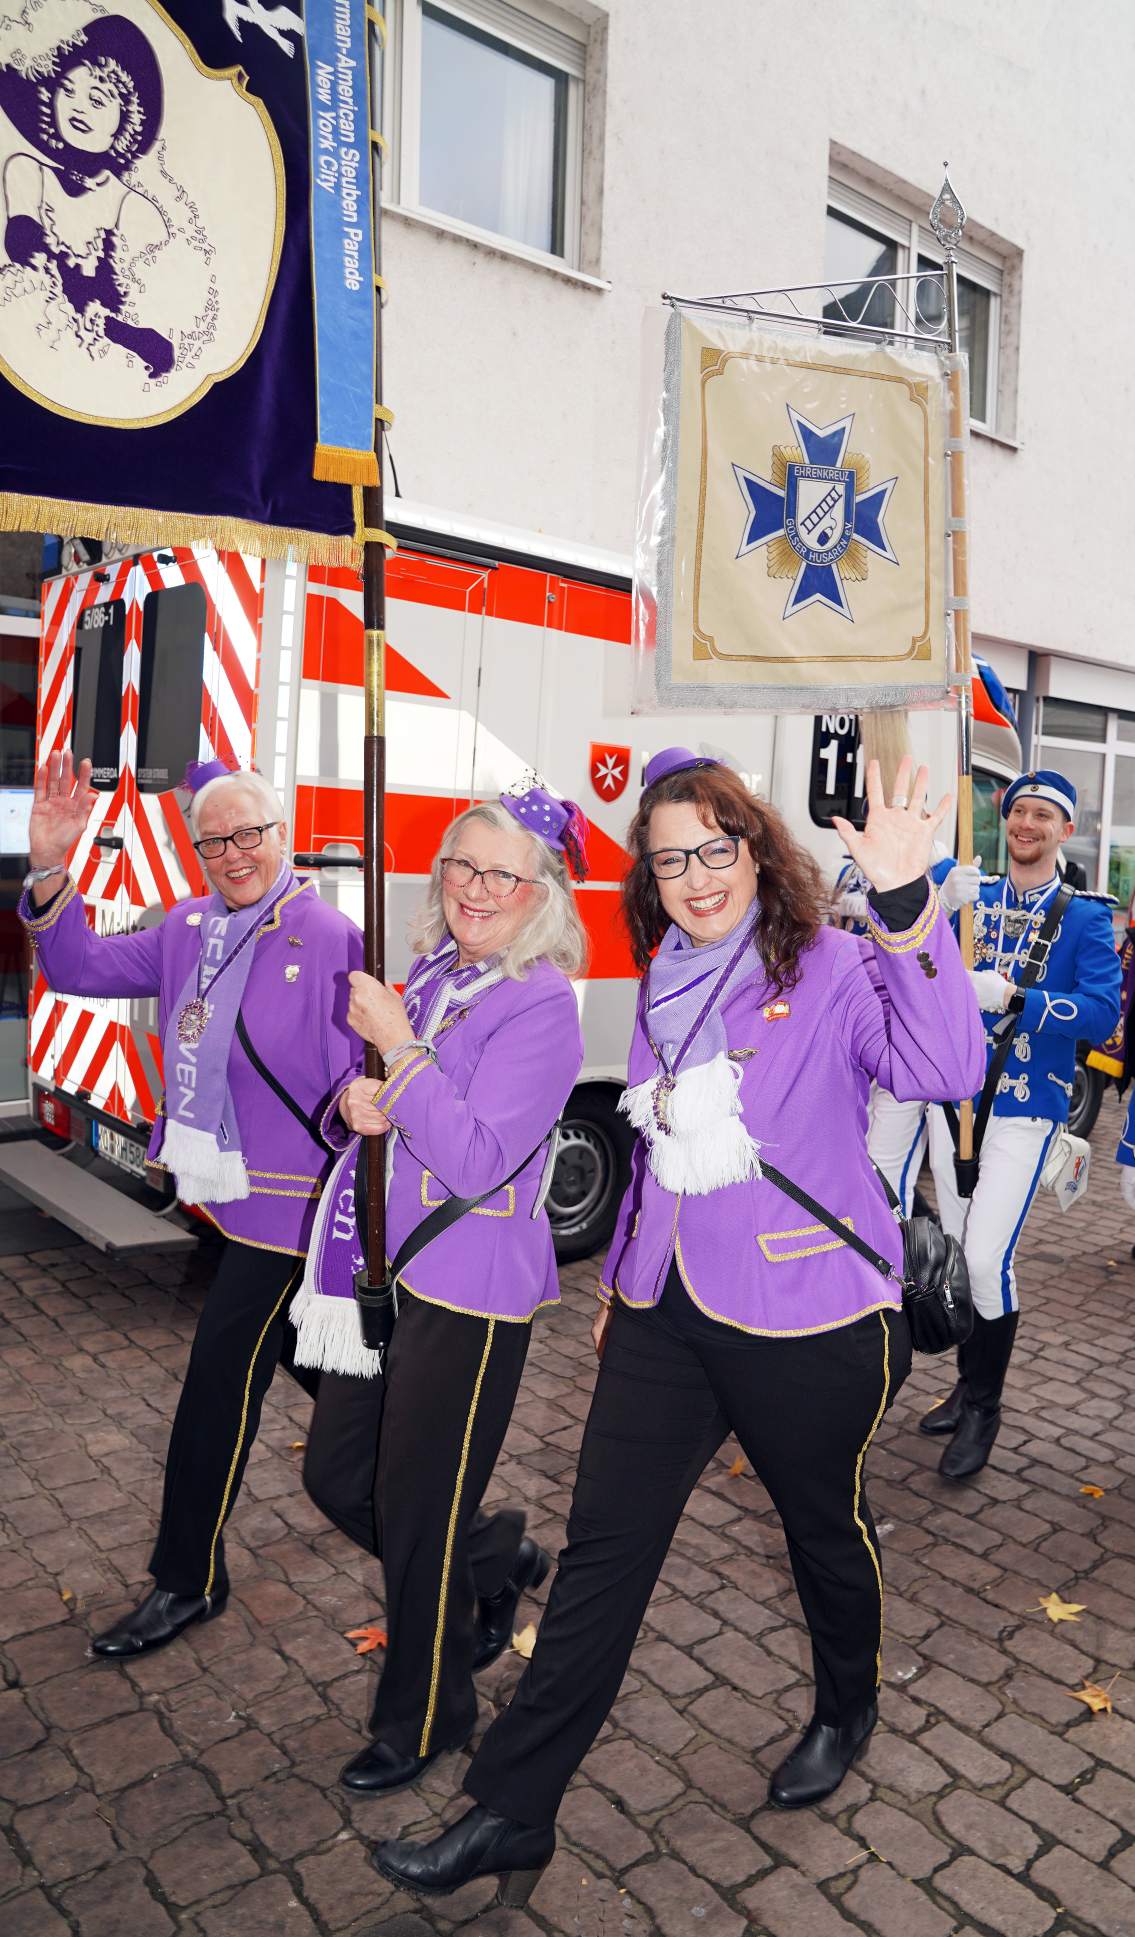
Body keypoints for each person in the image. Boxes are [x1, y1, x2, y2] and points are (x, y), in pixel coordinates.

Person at [370, 748, 985, 1907]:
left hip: (809, 1314)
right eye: (669, 860)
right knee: (603, 1553)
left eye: (714, 847)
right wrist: (620, 1285)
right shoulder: (663, 974)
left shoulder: (831, 961)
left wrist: (907, 905)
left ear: (756, 848)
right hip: (667, 1316)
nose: (695, 876)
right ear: (647, 878)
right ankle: (511, 1809)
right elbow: (657, 1150)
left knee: (823, 1530)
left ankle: (846, 1700)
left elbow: (946, 1063)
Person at [19, 750, 364, 1656]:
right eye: (215, 842)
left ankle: (187, 1580)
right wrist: (50, 863)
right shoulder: (187, 927)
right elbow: (79, 965)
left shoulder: (326, 934)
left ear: (281, 834)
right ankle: (482, 1547)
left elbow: (350, 1088)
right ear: (196, 851)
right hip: (234, 1206)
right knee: (363, 1403)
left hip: (295, 1217)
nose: (233, 853)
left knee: (216, 1386)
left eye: (250, 834)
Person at [298, 785, 588, 1798]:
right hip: (388, 1266)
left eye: (502, 873)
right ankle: (495, 1558)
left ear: (540, 894)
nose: (475, 886)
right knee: (338, 1475)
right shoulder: (433, 970)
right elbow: (381, 1107)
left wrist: (399, 1047)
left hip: (472, 1288)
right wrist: (353, 1099)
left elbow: (475, 1159)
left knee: (418, 1509)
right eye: (462, 863)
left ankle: (427, 1715)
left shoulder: (542, 1002)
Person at [923, 770, 1121, 1478]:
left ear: (1065, 830)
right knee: (955, 1251)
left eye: (1042, 814)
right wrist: (935, 907)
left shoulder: (1085, 917)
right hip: (954, 1100)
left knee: (985, 1259)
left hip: (1024, 1106)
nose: (1026, 824)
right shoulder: (971, 897)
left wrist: (1015, 998)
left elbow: (1102, 1013)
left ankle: (984, 1407)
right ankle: (963, 1383)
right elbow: (914, 963)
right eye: (1017, 811)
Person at [0, 15, 174, 377]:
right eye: (67, 90)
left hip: (96, 370)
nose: (78, 107)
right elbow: (27, 253)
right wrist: (126, 335)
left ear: (126, 120)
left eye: (97, 100)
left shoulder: (132, 209)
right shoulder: (28, 173)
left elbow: (149, 299)